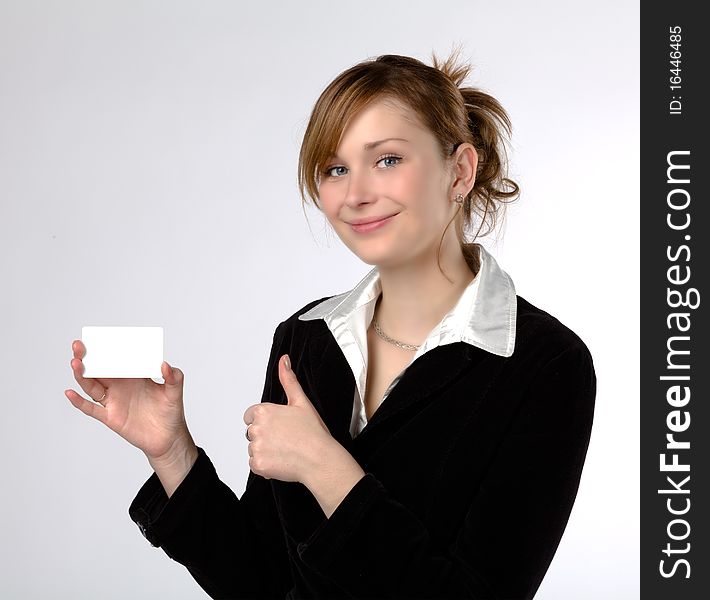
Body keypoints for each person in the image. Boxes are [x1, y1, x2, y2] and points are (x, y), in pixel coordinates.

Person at [66, 50, 596, 600]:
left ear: (459, 170)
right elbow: (263, 584)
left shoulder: (544, 362)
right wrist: (172, 451)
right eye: (335, 169)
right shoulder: (305, 339)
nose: (356, 194)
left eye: (387, 159)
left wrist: (327, 470)